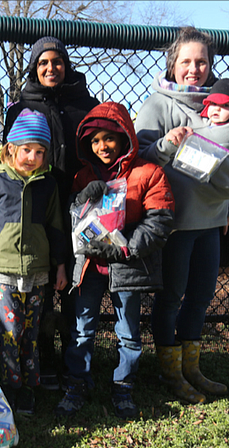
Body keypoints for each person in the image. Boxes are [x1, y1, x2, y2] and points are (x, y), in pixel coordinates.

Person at [134, 27, 229, 403]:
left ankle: (191, 368)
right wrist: (167, 144)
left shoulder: (221, 103)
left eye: (201, 61)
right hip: (175, 223)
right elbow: (137, 158)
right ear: (173, 64)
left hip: (213, 220)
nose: (194, 68)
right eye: (186, 61)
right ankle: (170, 372)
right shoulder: (158, 104)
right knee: (170, 298)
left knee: (201, 297)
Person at [54, 102, 175, 419]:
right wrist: (81, 199)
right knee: (82, 330)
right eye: (95, 141)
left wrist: (124, 250)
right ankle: (76, 384)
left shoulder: (147, 173)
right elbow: (73, 220)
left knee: (128, 333)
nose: (102, 146)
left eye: (109, 138)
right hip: (90, 266)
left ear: (125, 138)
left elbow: (159, 223)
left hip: (127, 268)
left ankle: (123, 387)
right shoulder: (83, 175)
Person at [3, 36, 99, 391]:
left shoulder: (86, 104)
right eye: (43, 63)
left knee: (75, 287)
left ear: (66, 65)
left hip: (81, 207)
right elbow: (12, 160)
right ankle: (41, 361)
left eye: (57, 62)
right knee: (39, 291)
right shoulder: (20, 107)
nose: (50, 68)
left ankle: (75, 363)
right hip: (37, 209)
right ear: (34, 67)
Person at [0, 108, 68, 414]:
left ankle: (31, 383)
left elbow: (56, 227)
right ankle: (12, 387)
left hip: (38, 272)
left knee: (32, 330)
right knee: (10, 331)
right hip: (4, 273)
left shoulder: (48, 185)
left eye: (40, 152)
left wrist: (60, 265)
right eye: (27, 150)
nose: (33, 157)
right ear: (11, 148)